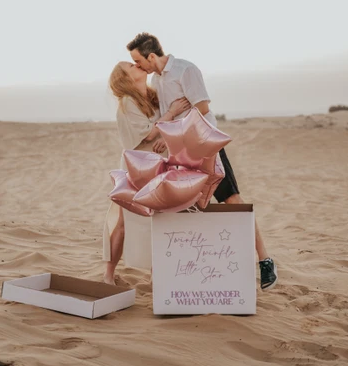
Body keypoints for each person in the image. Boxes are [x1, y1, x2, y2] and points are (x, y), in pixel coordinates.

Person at [126, 32, 278, 291]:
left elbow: (203, 108)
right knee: (189, 208)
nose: (139, 66)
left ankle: (265, 260)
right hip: (180, 153)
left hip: (206, 147)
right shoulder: (158, 80)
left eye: (139, 61)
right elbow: (168, 116)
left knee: (232, 201)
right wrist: (167, 133)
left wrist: (174, 129)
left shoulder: (186, 70)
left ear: (152, 56)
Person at [103, 61, 190, 285]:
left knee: (159, 218)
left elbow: (162, 131)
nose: (136, 65)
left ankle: (155, 275)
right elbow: (148, 133)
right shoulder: (127, 102)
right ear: (124, 78)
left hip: (158, 164)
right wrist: (171, 113)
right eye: (130, 66)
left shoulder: (153, 97)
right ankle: (108, 275)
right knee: (123, 219)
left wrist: (165, 138)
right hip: (136, 166)